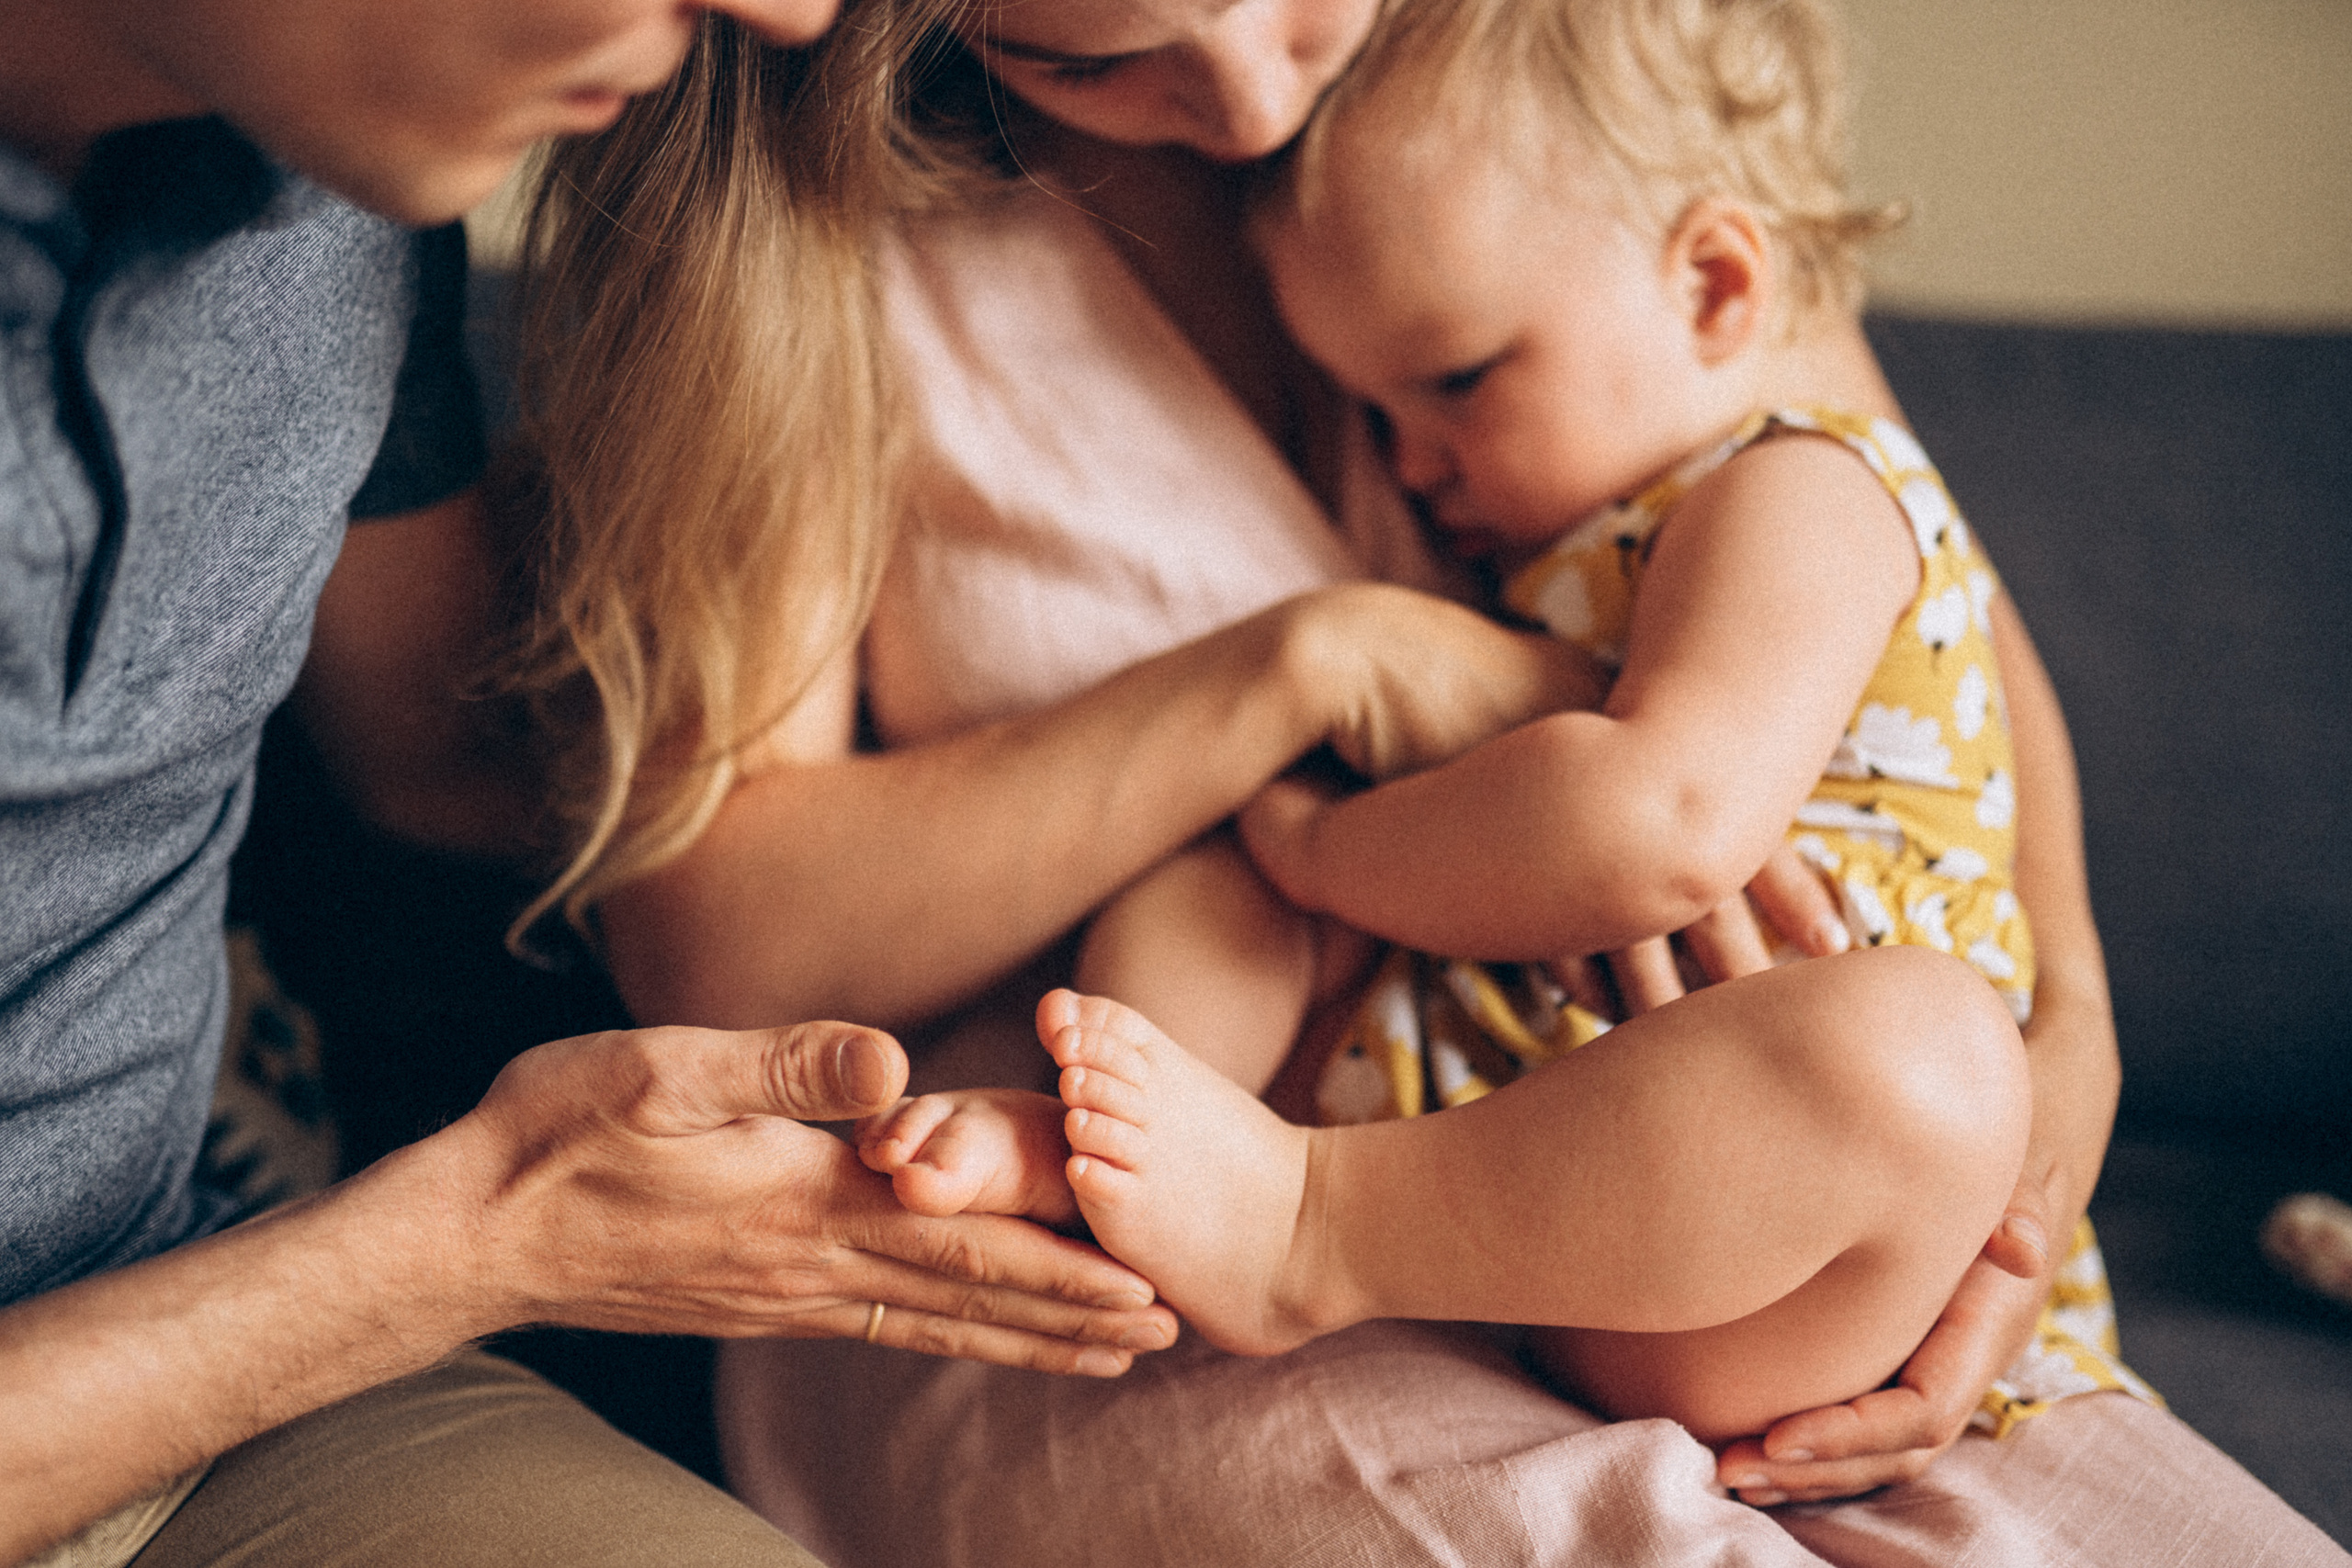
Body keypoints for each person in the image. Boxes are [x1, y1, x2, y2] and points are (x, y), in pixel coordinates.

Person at [553, 0, 2344, 1560]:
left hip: (1644, 1162)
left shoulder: (1560, 102)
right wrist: (1303, 673)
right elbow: (709, 940)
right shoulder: (806, 231)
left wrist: (2075, 1017)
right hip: (1126, 1170)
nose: (1257, 103)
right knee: (1228, 882)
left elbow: (1895, 547)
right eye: (1090, 51)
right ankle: (1219, 1195)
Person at [849, 0, 2133, 1449]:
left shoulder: (1809, 489)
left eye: (1457, 383)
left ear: (1717, 286)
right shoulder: (1569, 529)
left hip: (1750, 1246)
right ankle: (1093, 1147)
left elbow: (1658, 829)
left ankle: (1310, 1231)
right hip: (1516, 1126)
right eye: (1373, 410)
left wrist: (1323, 848)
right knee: (1204, 889)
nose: (1414, 464)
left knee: (1923, 1060)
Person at [0, 1, 1191, 1562]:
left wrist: (1249, 827)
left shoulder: (331, 178)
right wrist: (479, 1238)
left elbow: (453, 763)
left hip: (222, 1368)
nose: (790, 14)